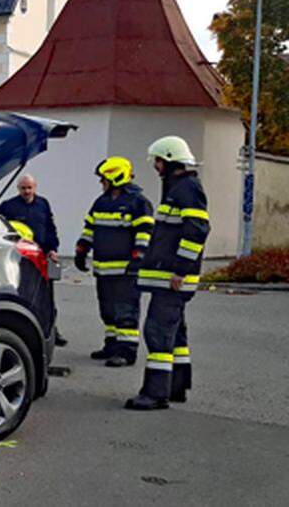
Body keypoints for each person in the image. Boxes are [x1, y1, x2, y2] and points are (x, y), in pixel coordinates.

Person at [125, 136, 209, 410]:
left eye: (159, 161)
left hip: (174, 278)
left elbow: (196, 230)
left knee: (158, 332)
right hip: (171, 277)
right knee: (176, 334)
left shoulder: (186, 189)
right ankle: (177, 386)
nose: (156, 167)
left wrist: (180, 271)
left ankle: (155, 393)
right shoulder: (180, 188)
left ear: (171, 161)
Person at [73, 157, 153, 366]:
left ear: (115, 177)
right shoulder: (102, 202)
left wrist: (138, 258)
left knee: (125, 311)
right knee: (107, 310)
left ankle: (126, 351)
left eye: (104, 179)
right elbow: (90, 227)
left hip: (126, 270)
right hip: (103, 269)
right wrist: (81, 249)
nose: (102, 183)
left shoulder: (139, 203)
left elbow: (144, 234)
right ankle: (112, 345)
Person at [0, 174, 65, 346]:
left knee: (47, 296)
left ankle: (52, 331)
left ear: (35, 187)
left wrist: (52, 249)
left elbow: (50, 229)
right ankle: (31, 331)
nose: (27, 191)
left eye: (29, 188)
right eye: (23, 188)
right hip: (21, 259)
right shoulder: (8, 207)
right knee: (27, 294)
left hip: (42, 257)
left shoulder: (43, 205)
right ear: (18, 189)